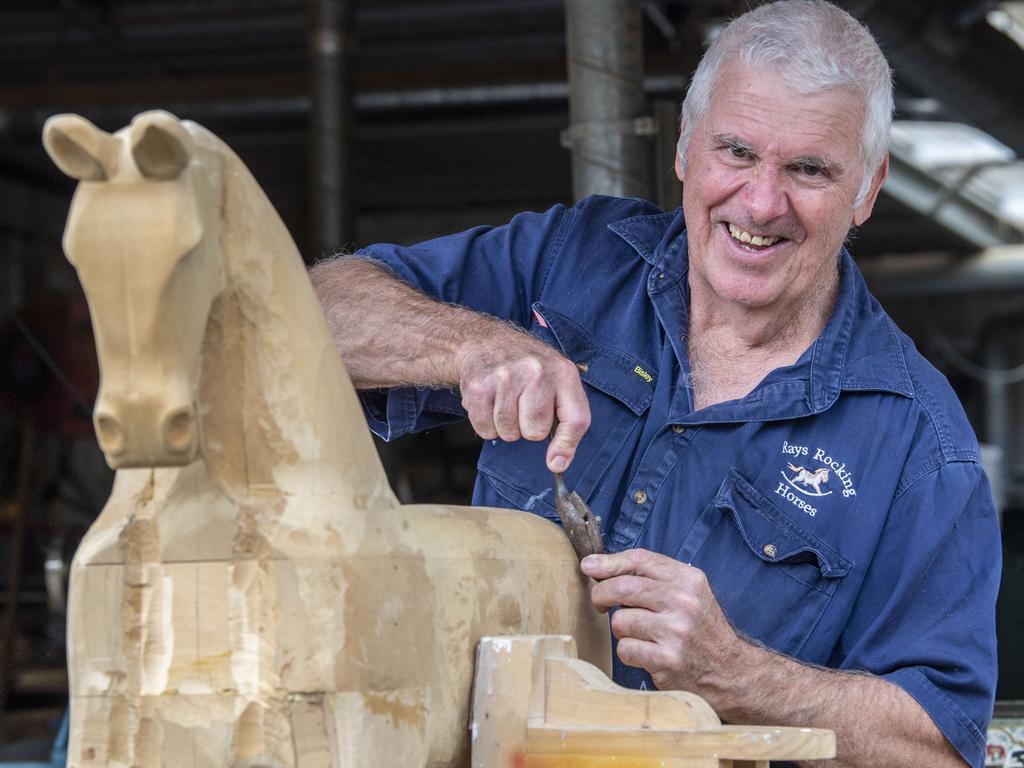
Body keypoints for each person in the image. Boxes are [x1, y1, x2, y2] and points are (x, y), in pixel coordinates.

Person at [309, 1, 1001, 765]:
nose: (763, 203)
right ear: (684, 148)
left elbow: (939, 748)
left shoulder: (917, 443)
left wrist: (739, 676)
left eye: (809, 169)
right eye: (736, 152)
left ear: (867, 189)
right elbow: (312, 311)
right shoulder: (572, 263)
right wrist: (469, 343)